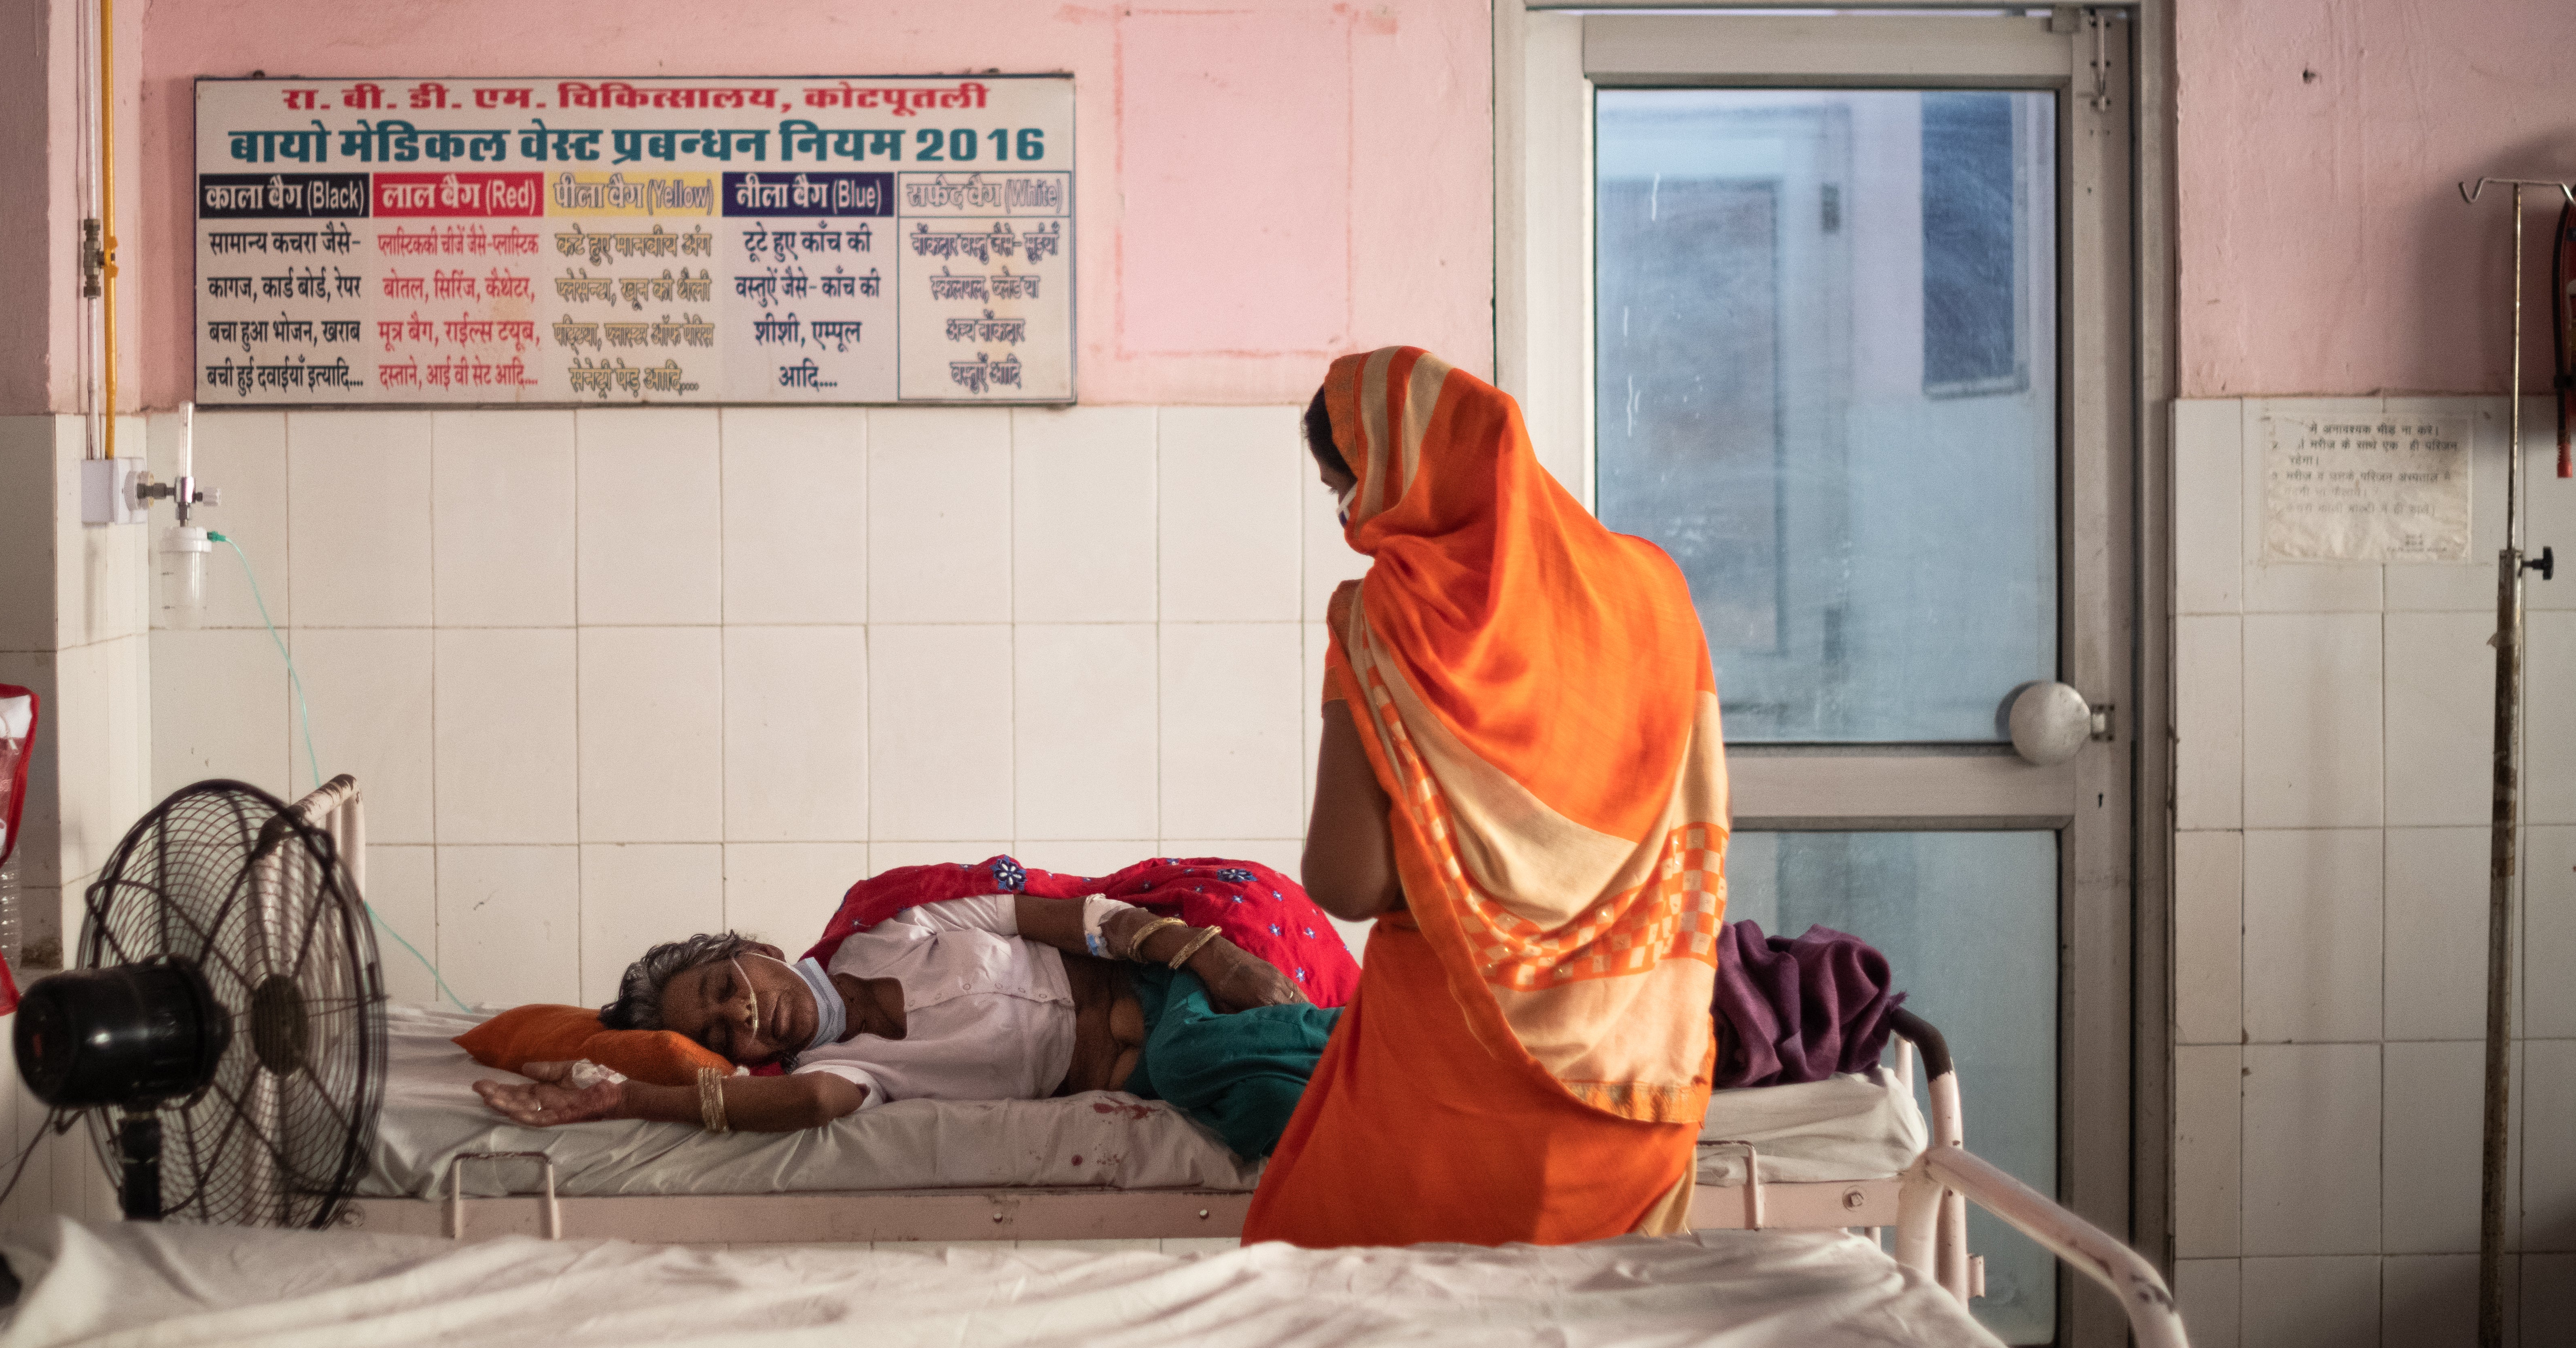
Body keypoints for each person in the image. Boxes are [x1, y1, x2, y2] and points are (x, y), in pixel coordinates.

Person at [1243, 347, 1730, 1247]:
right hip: (1632, 1071)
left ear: (1390, 478)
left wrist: (1454, 882)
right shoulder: (1655, 594)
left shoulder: (1386, 616)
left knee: (1351, 1310)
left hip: (1447, 1074)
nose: (1348, 520)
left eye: (1339, 490)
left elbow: (1344, 879)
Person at [470, 883, 1344, 1158]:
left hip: (1167, 995)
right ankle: (1388, 1089)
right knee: (1263, 1111)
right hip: (1143, 1072)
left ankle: (1390, 1050)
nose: (743, 1011)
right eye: (723, 1029)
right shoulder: (855, 1068)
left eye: (723, 982)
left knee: (1197, 1056)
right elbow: (808, 1105)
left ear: (760, 948)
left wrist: (1208, 955)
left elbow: (1072, 917)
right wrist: (623, 1099)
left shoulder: (899, 929)